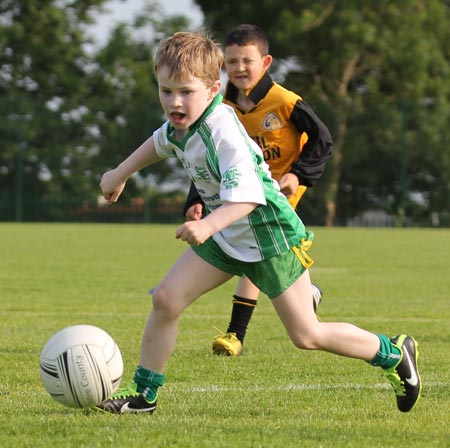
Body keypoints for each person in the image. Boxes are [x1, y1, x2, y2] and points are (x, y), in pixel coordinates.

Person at [96, 31, 421, 415]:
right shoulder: (182, 124)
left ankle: (394, 353)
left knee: (307, 334)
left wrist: (207, 226)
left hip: (269, 236)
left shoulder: (223, 130)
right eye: (166, 91)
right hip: (227, 233)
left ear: (214, 88)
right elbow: (160, 141)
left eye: (185, 91)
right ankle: (144, 397)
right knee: (166, 298)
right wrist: (120, 173)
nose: (174, 102)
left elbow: (248, 198)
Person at [183, 24, 333, 356]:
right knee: (255, 252)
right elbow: (204, 154)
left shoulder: (285, 101)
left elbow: (322, 140)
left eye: (246, 61)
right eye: (232, 62)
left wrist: (298, 175)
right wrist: (195, 199)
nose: (239, 68)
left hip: (277, 192)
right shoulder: (221, 106)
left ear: (266, 63)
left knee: (255, 248)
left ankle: (236, 334)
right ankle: (304, 294)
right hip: (239, 194)